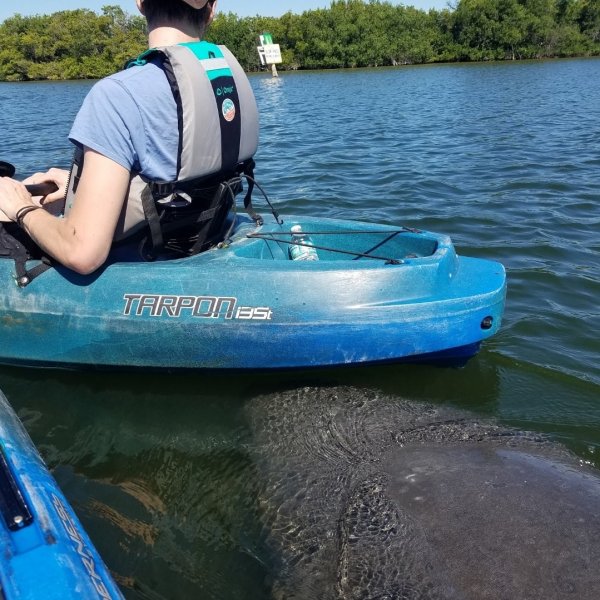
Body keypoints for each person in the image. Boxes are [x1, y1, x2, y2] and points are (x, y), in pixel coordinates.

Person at [0, 0, 258, 275]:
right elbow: (176, 181)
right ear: (212, 9)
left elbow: (83, 252)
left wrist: (20, 205)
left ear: (139, 3)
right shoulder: (228, 82)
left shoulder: (117, 94)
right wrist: (75, 187)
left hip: (144, 257)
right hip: (200, 241)